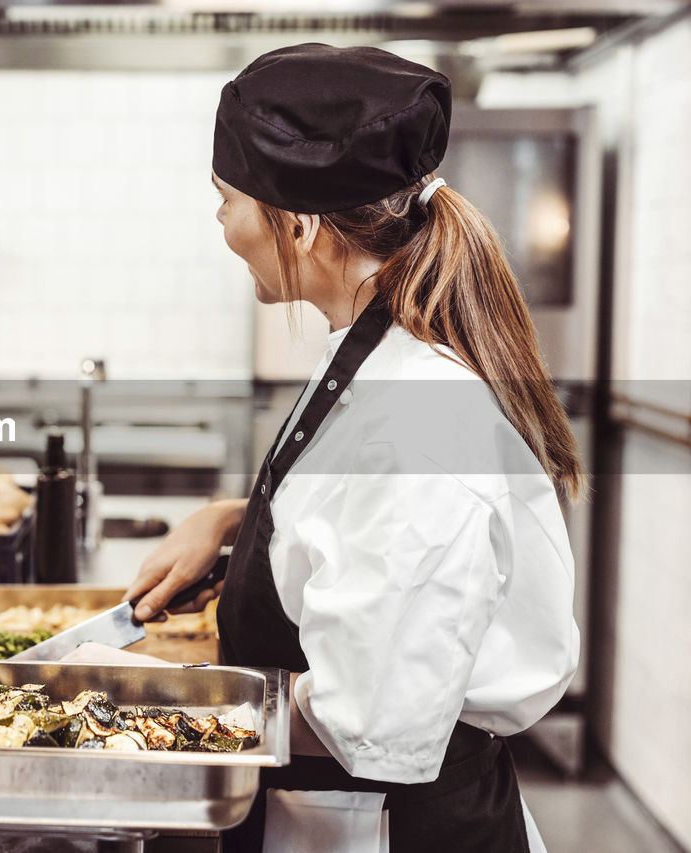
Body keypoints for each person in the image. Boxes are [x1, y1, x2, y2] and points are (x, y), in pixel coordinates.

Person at [121, 45, 581, 852]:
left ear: (295, 224)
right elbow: (348, 519)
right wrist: (236, 523)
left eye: (225, 201)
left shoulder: (418, 422)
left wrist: (161, 703)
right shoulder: (374, 358)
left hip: (387, 830)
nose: (222, 224)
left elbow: (370, 715)